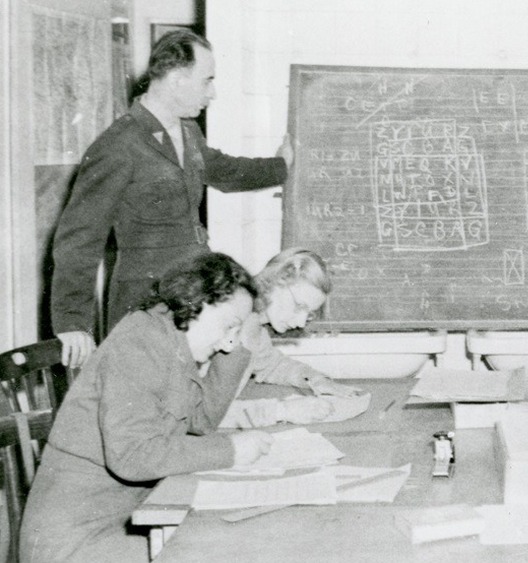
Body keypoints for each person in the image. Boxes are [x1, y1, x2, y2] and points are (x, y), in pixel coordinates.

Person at [50, 29, 293, 369]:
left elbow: (223, 169)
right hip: (147, 301)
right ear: (178, 79)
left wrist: (280, 166)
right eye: (207, 80)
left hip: (195, 291)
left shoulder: (187, 131)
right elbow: (79, 238)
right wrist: (72, 321)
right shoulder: (118, 145)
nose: (214, 92)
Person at [20, 252, 275, 562]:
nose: (228, 344)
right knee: (225, 550)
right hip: (75, 542)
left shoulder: (170, 340)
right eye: (228, 327)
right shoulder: (140, 343)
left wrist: (242, 343)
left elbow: (202, 419)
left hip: (125, 519)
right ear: (197, 301)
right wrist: (230, 451)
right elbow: (132, 455)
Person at [214, 248, 370, 428]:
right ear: (276, 280)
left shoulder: (255, 326)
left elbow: (273, 365)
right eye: (299, 306)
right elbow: (201, 414)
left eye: (309, 314)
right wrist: (282, 411)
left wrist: (315, 379)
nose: (302, 322)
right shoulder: (229, 326)